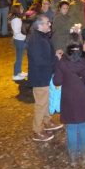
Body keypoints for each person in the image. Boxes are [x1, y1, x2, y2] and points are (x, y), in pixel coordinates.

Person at [53, 33, 85, 166]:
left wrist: (57, 61)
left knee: (72, 128)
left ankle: (73, 155)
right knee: (84, 126)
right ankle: (84, 154)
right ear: (81, 44)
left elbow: (57, 81)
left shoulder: (63, 61)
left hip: (69, 99)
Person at [27, 14, 63, 142]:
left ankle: (47, 121)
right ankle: (37, 130)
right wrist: (55, 58)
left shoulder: (41, 36)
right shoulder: (36, 40)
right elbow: (40, 61)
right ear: (39, 25)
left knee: (46, 100)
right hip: (40, 76)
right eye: (47, 23)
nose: (50, 24)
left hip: (45, 75)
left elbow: (44, 55)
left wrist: (54, 54)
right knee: (41, 103)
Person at [10, 3, 28, 81]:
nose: (22, 9)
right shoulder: (16, 20)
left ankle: (19, 71)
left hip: (19, 39)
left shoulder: (16, 18)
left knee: (19, 57)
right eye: (21, 8)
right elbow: (17, 31)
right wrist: (24, 33)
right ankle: (15, 74)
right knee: (19, 58)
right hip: (19, 40)